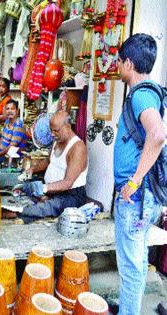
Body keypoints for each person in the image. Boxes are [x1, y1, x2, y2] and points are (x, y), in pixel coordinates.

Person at [113, 33, 164, 315]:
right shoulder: (148, 93)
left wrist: (133, 181)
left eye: (119, 61)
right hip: (144, 199)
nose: (118, 66)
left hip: (136, 199)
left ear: (129, 63)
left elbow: (157, 134)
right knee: (138, 261)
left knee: (131, 268)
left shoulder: (142, 94)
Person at [3, 111, 88, 222]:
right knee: (24, 188)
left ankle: (15, 213)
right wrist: (33, 169)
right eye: (51, 130)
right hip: (53, 191)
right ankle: (36, 204)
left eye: (56, 131)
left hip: (71, 195)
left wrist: (43, 188)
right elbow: (49, 160)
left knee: (46, 207)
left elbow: (68, 183)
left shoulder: (77, 147)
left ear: (67, 127)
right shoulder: (57, 140)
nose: (52, 134)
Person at [0, 100, 27, 164]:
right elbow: (2, 139)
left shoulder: (19, 125)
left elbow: (12, 146)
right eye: (7, 109)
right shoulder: (7, 122)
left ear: (17, 111)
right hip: (2, 155)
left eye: (12, 109)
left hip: (12, 159)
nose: (9, 111)